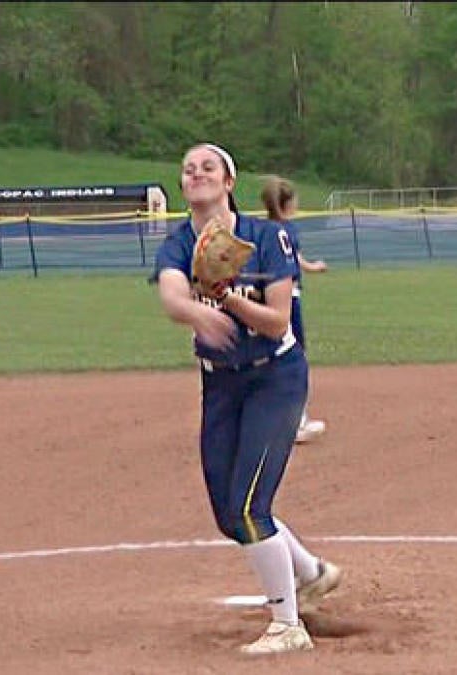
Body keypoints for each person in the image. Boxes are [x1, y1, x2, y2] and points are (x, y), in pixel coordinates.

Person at [150, 143, 342, 655]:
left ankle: (287, 626)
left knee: (251, 505)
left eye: (208, 167)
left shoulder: (266, 236)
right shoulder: (178, 243)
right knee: (228, 514)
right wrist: (195, 311)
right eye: (188, 169)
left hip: (274, 378)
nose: (197, 174)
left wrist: (227, 296)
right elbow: (171, 294)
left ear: (228, 182)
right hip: (221, 384)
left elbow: (278, 321)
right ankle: (312, 573)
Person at [260, 176, 329, 444]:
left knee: (272, 358)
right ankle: (295, 421)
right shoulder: (288, 231)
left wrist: (311, 267)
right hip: (288, 300)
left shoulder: (263, 230)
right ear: (287, 203)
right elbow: (291, 264)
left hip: (266, 301)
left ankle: (266, 419)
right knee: (294, 359)